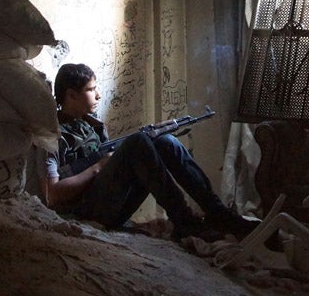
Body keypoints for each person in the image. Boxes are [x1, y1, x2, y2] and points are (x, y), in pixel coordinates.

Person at [39, 63, 256, 242]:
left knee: (165, 141)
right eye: (90, 89)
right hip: (84, 211)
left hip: (112, 203)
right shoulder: (51, 136)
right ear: (71, 95)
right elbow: (53, 195)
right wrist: (98, 167)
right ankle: (185, 221)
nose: (98, 95)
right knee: (138, 141)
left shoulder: (93, 126)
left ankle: (217, 213)